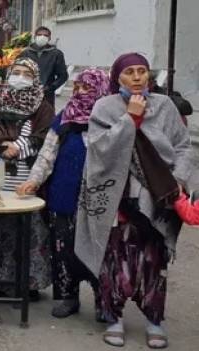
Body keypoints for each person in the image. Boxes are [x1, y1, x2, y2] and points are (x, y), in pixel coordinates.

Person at [75, 53, 193, 349]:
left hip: (156, 199)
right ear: (118, 78)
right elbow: (99, 150)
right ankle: (113, 317)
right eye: (130, 72)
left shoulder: (165, 106)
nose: (138, 77)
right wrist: (131, 119)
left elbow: (183, 146)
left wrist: (176, 180)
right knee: (114, 259)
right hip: (117, 199)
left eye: (143, 71)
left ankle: (155, 320)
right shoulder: (105, 107)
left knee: (153, 261)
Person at [16, 68, 110, 318]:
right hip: (64, 194)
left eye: (87, 88)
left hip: (99, 198)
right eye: (77, 87)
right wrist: (33, 181)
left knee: (101, 250)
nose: (80, 92)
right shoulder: (64, 118)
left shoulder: (110, 119)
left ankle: (105, 301)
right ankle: (69, 297)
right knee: (64, 248)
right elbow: (47, 155)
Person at [0, 57, 55, 300]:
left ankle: (28, 282)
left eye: (27, 74)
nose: (20, 77)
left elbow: (48, 138)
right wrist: (1, 143)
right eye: (16, 72)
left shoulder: (43, 107)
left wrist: (20, 147)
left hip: (27, 175)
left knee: (29, 229)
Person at [19, 26, 68, 107]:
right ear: (35, 37)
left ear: (49, 38)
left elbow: (63, 76)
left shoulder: (56, 54)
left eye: (45, 35)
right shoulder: (25, 53)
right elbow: (18, 71)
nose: (42, 37)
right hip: (26, 93)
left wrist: (50, 88)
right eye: (39, 34)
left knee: (46, 116)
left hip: (46, 95)